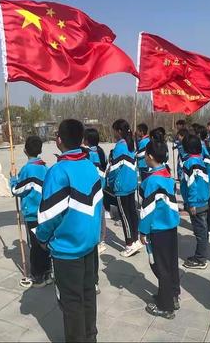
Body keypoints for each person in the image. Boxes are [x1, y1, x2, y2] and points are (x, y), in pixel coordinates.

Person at [36, 119, 103, 343]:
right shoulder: (89, 165)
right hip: (90, 245)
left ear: (59, 140)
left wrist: (42, 238)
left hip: (68, 249)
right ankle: (90, 337)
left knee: (71, 302)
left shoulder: (58, 172)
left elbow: (49, 216)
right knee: (88, 295)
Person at [139, 135, 180, 319]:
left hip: (158, 228)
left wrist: (143, 231)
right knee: (170, 264)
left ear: (149, 156)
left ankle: (165, 306)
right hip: (170, 226)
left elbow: (147, 210)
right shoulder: (166, 174)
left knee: (160, 266)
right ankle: (172, 295)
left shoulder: (152, 181)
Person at [9, 136, 51, 288]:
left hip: (32, 213)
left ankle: (38, 277)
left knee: (35, 246)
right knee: (44, 243)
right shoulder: (45, 167)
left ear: (25, 150)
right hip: (45, 212)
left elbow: (17, 190)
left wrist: (13, 178)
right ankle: (47, 273)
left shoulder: (27, 169)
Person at [107, 119, 142, 257]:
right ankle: (135, 239)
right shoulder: (130, 145)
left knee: (125, 216)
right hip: (131, 183)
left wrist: (109, 182)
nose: (113, 133)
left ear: (119, 131)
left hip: (121, 186)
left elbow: (114, 170)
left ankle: (129, 244)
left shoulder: (119, 147)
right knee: (132, 213)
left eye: (114, 130)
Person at [180, 134, 210, 270]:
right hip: (203, 199)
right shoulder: (200, 160)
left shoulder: (189, 163)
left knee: (200, 232)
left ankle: (200, 259)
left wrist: (191, 202)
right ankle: (200, 256)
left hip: (196, 202)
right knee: (202, 230)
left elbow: (191, 184)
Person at [83, 128, 107, 257]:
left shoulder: (89, 153)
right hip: (101, 186)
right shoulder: (100, 151)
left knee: (97, 213)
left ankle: (99, 240)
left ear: (86, 140)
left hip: (93, 187)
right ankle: (101, 239)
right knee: (100, 212)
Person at [198, 125, 210, 237]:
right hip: (203, 181)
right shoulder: (200, 146)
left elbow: (208, 166)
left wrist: (209, 180)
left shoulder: (202, 147)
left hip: (205, 181)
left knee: (207, 205)